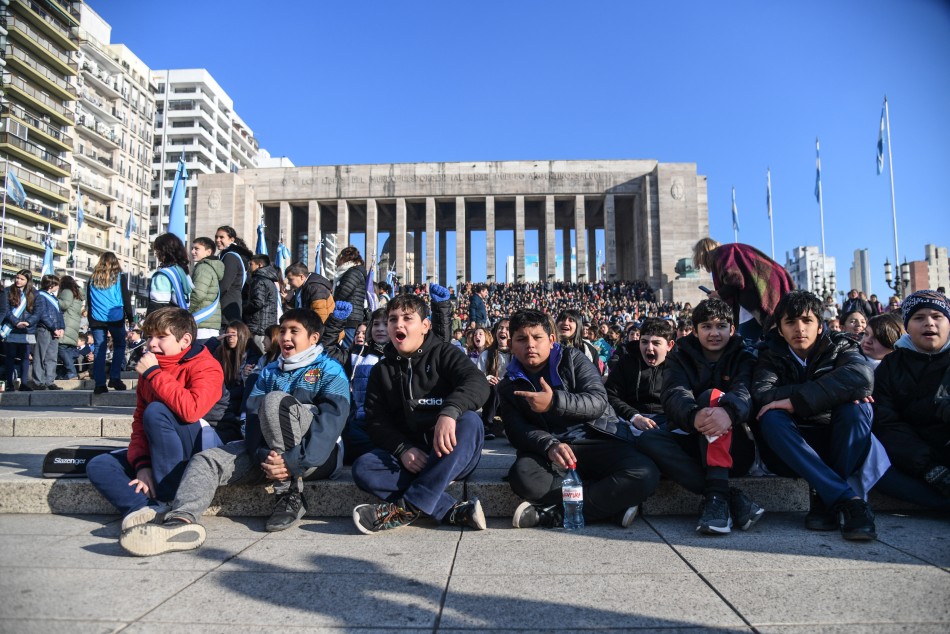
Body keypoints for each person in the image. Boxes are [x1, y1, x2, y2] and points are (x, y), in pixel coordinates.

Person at [119, 308, 350, 556]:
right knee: (206, 460)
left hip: (317, 458)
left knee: (274, 401)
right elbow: (252, 421)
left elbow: (330, 425)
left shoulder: (330, 370)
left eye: (294, 331)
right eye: (282, 330)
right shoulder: (269, 371)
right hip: (269, 458)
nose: (285, 337)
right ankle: (180, 521)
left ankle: (288, 493)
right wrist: (262, 455)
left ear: (313, 338)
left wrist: (291, 462)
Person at [500, 309, 660, 529]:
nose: (530, 345)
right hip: (552, 452)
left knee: (645, 473)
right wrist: (549, 445)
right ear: (511, 345)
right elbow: (516, 429)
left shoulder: (573, 359)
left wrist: (554, 402)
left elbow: (598, 401)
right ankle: (610, 505)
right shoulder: (508, 384)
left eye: (537, 337)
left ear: (551, 340)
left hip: (595, 439)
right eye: (521, 339)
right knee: (523, 476)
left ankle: (553, 514)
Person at [86, 307, 237, 534]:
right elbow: (139, 422)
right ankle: (144, 507)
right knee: (100, 465)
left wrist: (155, 374)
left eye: (161, 337)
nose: (152, 344)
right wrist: (142, 465)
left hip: (205, 447)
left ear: (185, 340)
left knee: (157, 411)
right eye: (149, 337)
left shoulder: (206, 365)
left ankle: (168, 495)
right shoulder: (151, 369)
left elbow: (192, 410)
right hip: (165, 448)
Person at [350, 293, 490, 534]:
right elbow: (376, 421)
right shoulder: (381, 370)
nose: (398, 325)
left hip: (450, 453)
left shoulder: (445, 353)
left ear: (425, 326)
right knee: (364, 467)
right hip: (411, 456)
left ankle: (406, 509)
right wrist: (402, 449)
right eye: (393, 319)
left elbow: (477, 383)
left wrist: (450, 411)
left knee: (470, 422)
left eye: (407, 318)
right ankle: (449, 509)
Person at [753, 290, 882, 541]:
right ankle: (848, 500)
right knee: (770, 417)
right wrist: (833, 391)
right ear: (780, 329)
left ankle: (825, 497)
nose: (799, 329)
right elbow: (762, 395)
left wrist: (794, 401)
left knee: (858, 408)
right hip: (792, 446)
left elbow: (862, 378)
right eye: (790, 322)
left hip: (837, 439)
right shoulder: (769, 353)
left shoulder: (841, 345)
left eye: (807, 320)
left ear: (820, 325)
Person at [637, 299, 762, 534]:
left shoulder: (744, 355)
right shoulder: (679, 356)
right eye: (706, 326)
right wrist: (693, 414)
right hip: (694, 436)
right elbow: (674, 393)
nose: (714, 333)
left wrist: (728, 412)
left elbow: (745, 392)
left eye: (721, 326)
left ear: (732, 329)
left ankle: (717, 504)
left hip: (736, 447)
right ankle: (724, 495)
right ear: (695, 331)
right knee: (647, 439)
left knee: (710, 396)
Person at [872, 290, 950, 506]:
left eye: (937, 316)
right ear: (907, 326)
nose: (929, 323)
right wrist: (929, 467)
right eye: (919, 317)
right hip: (912, 462)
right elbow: (885, 422)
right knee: (878, 473)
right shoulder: (891, 365)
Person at [691, 237, 794, 344]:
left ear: (701, 254)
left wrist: (719, 294)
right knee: (768, 336)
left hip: (761, 295)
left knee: (746, 342)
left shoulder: (722, 253)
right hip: (767, 290)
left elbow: (735, 280)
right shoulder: (728, 252)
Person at [605, 317, 674, 433]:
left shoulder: (678, 366)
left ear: (669, 345)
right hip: (628, 421)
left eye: (656, 343)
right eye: (644, 342)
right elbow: (611, 395)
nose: (649, 348)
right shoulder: (626, 362)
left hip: (669, 423)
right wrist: (634, 416)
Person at [344, 307, 389, 463]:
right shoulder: (357, 353)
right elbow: (331, 353)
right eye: (376, 324)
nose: (380, 329)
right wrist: (335, 323)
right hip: (361, 421)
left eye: (385, 324)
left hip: (388, 424)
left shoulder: (400, 354)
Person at [87, 253, 133, 394]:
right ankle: (114, 377)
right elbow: (126, 298)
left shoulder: (92, 278)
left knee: (99, 348)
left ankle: (100, 384)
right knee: (120, 345)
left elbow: (89, 300)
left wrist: (90, 319)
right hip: (115, 316)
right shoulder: (120, 277)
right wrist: (130, 318)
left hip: (96, 317)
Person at [2, 270, 39, 391]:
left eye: (22, 279)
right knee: (10, 356)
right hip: (11, 328)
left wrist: (28, 322)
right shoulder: (7, 291)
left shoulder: (34, 293)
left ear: (28, 280)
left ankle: (24, 383)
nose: (18, 280)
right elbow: (5, 310)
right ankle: (9, 383)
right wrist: (16, 322)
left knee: (25, 356)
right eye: (17, 278)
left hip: (27, 329)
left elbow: (38, 311)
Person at [28, 274, 65, 390]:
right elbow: (42, 314)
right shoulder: (40, 295)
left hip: (55, 330)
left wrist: (61, 328)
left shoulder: (54, 298)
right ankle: (38, 381)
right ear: (51, 285)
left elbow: (59, 314)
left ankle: (50, 381)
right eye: (57, 284)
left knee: (52, 356)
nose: (58, 287)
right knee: (40, 355)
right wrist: (54, 328)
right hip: (44, 329)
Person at [243, 254, 282, 360]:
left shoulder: (259, 280)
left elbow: (257, 303)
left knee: (260, 357)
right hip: (266, 326)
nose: (249, 267)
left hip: (259, 327)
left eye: (251, 264)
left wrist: (243, 307)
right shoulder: (269, 280)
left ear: (259, 265)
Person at [477, 318, 511, 439]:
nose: (503, 331)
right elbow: (478, 377)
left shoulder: (518, 355)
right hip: (492, 398)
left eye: (507, 329)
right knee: (495, 386)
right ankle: (487, 424)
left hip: (510, 398)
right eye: (500, 328)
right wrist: (487, 379)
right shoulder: (486, 354)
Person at [213, 321, 252, 423]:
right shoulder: (222, 353)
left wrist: (224, 395)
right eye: (227, 335)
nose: (230, 338)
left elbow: (245, 388)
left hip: (239, 400)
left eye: (233, 334)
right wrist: (215, 340)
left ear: (242, 335)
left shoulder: (251, 355)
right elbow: (203, 355)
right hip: (226, 397)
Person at [214, 225, 252, 323]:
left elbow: (224, 285)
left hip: (227, 307)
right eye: (216, 237)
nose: (218, 240)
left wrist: (211, 300)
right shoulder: (228, 255)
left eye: (221, 237)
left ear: (232, 239)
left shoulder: (230, 257)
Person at [147, 234, 192, 315]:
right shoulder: (183, 271)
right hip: (183, 318)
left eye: (157, 250)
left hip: (167, 319)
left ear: (165, 251)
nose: (155, 254)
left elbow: (157, 306)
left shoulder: (163, 275)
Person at [332, 246, 367, 350]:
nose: (337, 262)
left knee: (349, 349)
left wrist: (332, 301)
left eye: (339, 258)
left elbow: (343, 292)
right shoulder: (354, 271)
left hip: (350, 317)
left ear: (345, 258)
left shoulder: (353, 272)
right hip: (352, 315)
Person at [189, 237, 223, 342]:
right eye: (192, 248)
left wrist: (186, 311)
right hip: (209, 323)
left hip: (202, 322)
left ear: (208, 252)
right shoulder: (210, 267)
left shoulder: (203, 268)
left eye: (196, 249)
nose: (192, 251)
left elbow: (198, 294)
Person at [56, 275, 84, 380]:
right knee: (67, 350)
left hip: (66, 322)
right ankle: (64, 372)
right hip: (73, 323)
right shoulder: (77, 294)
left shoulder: (67, 291)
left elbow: (64, 305)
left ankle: (71, 371)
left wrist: (54, 299)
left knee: (60, 347)